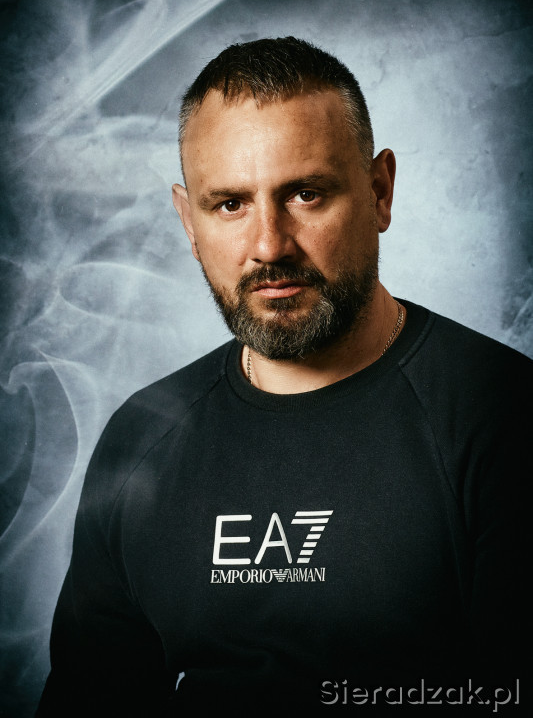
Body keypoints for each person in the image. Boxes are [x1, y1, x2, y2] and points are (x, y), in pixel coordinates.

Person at [37, 37, 531, 716]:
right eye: (229, 205)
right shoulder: (142, 439)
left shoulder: (502, 415)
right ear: (188, 220)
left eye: (305, 194)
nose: (268, 245)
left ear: (379, 192)